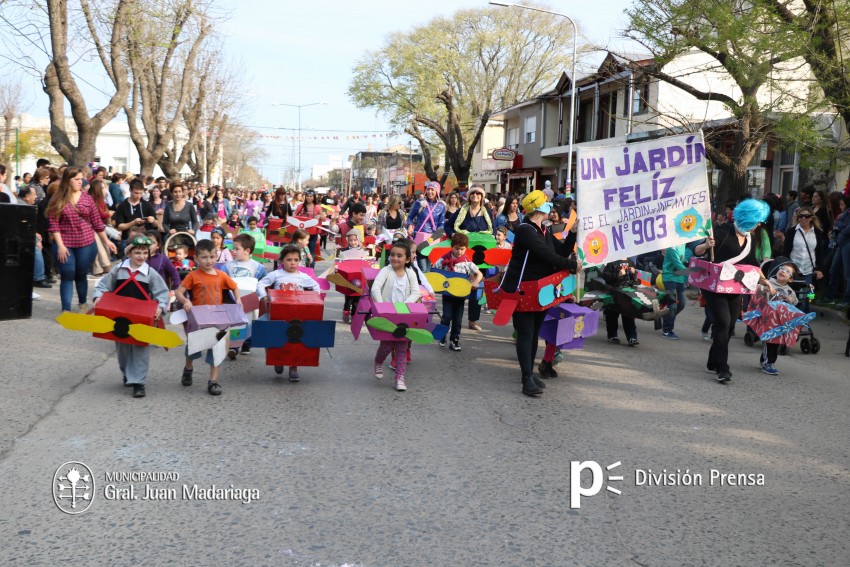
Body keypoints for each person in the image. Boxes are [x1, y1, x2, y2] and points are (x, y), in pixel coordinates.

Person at [500, 190, 578, 397]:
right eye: (546, 202)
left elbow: (559, 252)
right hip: (524, 288)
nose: (549, 205)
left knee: (534, 332)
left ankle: (530, 373)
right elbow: (545, 255)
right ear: (538, 207)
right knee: (526, 332)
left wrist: (573, 233)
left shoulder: (542, 230)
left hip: (541, 289)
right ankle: (526, 379)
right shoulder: (526, 229)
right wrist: (570, 265)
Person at [694, 199, 773, 383]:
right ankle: (723, 368)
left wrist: (765, 280)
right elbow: (697, 252)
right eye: (757, 220)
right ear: (748, 217)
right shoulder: (722, 231)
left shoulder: (751, 238)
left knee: (729, 327)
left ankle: (712, 362)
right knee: (723, 323)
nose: (759, 224)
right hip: (715, 286)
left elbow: (752, 263)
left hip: (736, 286)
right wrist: (706, 245)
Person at [92, 236, 169, 398]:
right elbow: (103, 285)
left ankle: (139, 382)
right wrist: (99, 296)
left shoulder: (150, 273)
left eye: (145, 253)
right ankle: (127, 373)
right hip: (120, 317)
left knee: (141, 348)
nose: (141, 256)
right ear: (129, 253)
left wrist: (161, 307)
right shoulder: (118, 270)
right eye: (137, 253)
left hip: (142, 317)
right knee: (123, 348)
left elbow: (162, 292)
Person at [175, 239, 242, 396]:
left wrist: (238, 298)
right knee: (193, 349)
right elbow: (179, 292)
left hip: (217, 319)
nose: (209, 261)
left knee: (216, 348)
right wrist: (186, 300)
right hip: (198, 319)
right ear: (196, 258)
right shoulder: (192, 276)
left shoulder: (221, 275)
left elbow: (234, 287)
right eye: (204, 257)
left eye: (212, 257)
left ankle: (213, 381)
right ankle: (188, 368)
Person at [47, 166, 118, 312]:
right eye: (77, 179)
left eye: (81, 179)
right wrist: (60, 245)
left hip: (85, 242)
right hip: (65, 242)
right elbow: (53, 224)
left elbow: (97, 223)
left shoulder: (87, 198)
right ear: (68, 180)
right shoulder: (58, 198)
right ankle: (66, 309)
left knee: (80, 273)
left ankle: (82, 303)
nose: (81, 182)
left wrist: (107, 241)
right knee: (67, 273)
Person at [256, 244, 321, 381]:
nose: (292, 263)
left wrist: (313, 299)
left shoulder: (303, 276)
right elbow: (261, 284)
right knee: (278, 336)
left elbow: (316, 286)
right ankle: (278, 360)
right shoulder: (276, 274)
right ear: (281, 261)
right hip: (279, 312)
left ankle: (293, 367)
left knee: (296, 339)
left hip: (297, 313)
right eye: (289, 259)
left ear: (300, 261)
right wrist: (264, 297)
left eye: (296, 260)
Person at [370, 241, 421, 392]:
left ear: (407, 259)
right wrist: (381, 306)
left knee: (402, 347)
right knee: (385, 346)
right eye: (392, 255)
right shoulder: (386, 271)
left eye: (399, 256)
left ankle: (399, 377)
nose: (395, 258)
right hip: (387, 314)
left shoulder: (410, 273)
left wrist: (405, 305)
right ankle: (378, 362)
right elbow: (375, 288)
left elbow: (416, 292)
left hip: (404, 315)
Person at [433, 233, 484, 351]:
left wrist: (475, 282)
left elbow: (479, 274)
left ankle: (454, 339)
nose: (459, 251)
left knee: (457, 319)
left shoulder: (467, 263)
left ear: (466, 248)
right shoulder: (444, 259)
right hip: (448, 295)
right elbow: (434, 270)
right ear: (452, 247)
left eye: (462, 249)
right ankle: (442, 335)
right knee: (447, 316)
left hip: (461, 296)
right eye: (456, 248)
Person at [224, 233, 268, 359]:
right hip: (233, 299)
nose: (233, 251)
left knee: (250, 321)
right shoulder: (228, 266)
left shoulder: (257, 266)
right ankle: (234, 346)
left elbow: (265, 281)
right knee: (235, 322)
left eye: (237, 249)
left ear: (247, 251)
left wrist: (262, 294)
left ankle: (247, 344)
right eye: (233, 248)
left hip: (251, 300)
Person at [756, 260, 799, 376]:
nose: (783, 272)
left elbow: (795, 301)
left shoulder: (789, 290)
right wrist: (766, 291)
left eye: (787, 272)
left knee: (775, 343)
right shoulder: (769, 283)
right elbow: (759, 295)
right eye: (782, 269)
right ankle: (768, 363)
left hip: (781, 321)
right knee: (768, 341)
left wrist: (791, 300)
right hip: (768, 319)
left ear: (790, 279)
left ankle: (765, 360)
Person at [782, 206, 826, 313]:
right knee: (792, 294)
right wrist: (785, 266)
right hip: (793, 269)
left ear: (811, 218)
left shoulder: (817, 232)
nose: (803, 218)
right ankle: (792, 316)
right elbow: (786, 251)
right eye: (800, 216)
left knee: (807, 295)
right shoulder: (792, 231)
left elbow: (820, 252)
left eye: (806, 216)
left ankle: (803, 318)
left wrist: (819, 269)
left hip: (809, 269)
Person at [602, 259, 640, 346]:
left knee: (628, 316)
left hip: (627, 294)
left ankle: (632, 337)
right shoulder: (612, 262)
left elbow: (636, 279)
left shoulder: (631, 262)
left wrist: (634, 273)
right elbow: (605, 275)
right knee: (612, 315)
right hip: (614, 293)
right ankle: (612, 335)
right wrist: (617, 274)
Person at [824, 196, 850, 307]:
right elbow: (838, 226)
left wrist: (839, 228)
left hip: (847, 243)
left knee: (847, 274)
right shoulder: (844, 215)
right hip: (841, 243)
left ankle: (846, 300)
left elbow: (846, 229)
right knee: (833, 269)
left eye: (842, 204)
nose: (840, 207)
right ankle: (830, 296)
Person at [660, 244, 691, 339]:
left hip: (680, 278)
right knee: (672, 304)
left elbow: (683, 260)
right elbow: (677, 263)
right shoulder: (671, 247)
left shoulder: (684, 245)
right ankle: (667, 330)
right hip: (669, 278)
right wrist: (692, 273)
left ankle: (667, 317)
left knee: (681, 304)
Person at [113, 179, 157, 243]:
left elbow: (156, 224)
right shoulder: (122, 206)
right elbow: (119, 227)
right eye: (136, 193)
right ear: (130, 190)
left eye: (141, 193)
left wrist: (152, 220)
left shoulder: (147, 204)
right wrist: (133, 223)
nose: (138, 196)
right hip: (127, 240)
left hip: (145, 239)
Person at [337, 230, 365, 323]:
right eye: (351, 240)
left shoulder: (363, 252)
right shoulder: (344, 252)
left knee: (357, 299)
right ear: (348, 241)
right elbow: (339, 263)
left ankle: (353, 315)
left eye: (355, 240)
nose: (353, 242)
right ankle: (346, 311)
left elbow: (367, 263)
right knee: (348, 297)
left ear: (359, 240)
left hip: (359, 277)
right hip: (348, 278)